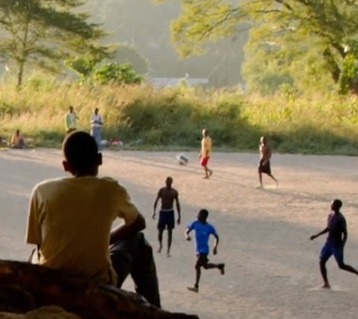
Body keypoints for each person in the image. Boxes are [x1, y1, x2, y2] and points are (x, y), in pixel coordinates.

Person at [25, 131, 160, 307]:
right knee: (138, 240)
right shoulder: (111, 189)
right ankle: (153, 309)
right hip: (98, 284)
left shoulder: (42, 191)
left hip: (53, 282)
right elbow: (138, 223)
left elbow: (39, 244)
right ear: (100, 159)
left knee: (35, 255)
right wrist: (105, 239)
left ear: (66, 165)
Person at [309, 199, 358, 289]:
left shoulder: (341, 219)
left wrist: (342, 246)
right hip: (328, 243)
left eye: (333, 205)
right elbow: (328, 228)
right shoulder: (330, 215)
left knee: (341, 265)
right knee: (322, 262)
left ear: (338, 207)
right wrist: (316, 235)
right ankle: (326, 283)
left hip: (336, 245)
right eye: (331, 204)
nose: (331, 206)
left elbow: (345, 233)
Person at [184, 209, 225, 292]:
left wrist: (215, 247)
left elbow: (217, 237)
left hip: (204, 250)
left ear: (205, 217)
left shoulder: (209, 227)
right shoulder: (195, 223)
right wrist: (186, 236)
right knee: (205, 266)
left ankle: (196, 286)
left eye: (200, 215)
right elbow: (186, 231)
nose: (198, 216)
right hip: (197, 250)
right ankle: (219, 266)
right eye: (198, 215)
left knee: (197, 266)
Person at [152, 177, 181, 257]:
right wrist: (154, 212)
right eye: (167, 181)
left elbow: (177, 204)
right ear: (165, 182)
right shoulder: (161, 190)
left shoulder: (174, 192)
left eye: (169, 181)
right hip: (162, 212)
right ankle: (161, 245)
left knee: (170, 232)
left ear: (171, 182)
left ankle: (168, 250)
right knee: (160, 231)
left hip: (170, 212)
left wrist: (179, 216)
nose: (167, 182)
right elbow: (156, 200)